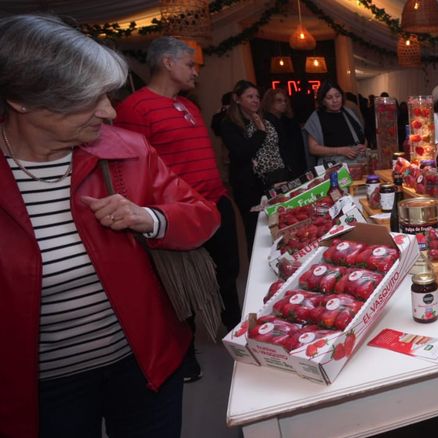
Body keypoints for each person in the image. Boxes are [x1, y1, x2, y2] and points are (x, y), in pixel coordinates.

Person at [0, 15, 220, 437]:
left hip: (145, 366)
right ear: (22, 100)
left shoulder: (127, 150)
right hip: (41, 392)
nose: (109, 111)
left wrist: (151, 218)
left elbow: (203, 216)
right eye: (89, 98)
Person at [114, 36, 243, 381]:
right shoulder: (136, 109)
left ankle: (239, 334)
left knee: (228, 271)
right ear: (168, 63)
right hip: (175, 215)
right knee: (179, 290)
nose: (196, 72)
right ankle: (186, 359)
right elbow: (131, 168)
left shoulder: (190, 107)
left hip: (214, 204)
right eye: (190, 64)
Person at [220, 80, 279, 248]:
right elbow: (243, 153)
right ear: (237, 99)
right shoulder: (228, 124)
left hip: (268, 181)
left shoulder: (261, 119)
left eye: (257, 97)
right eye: (250, 96)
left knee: (274, 222)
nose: (255, 100)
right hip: (246, 185)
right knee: (254, 228)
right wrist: (260, 133)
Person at [303, 81, 367, 167]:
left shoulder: (348, 112)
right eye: (329, 98)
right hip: (332, 167)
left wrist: (363, 146)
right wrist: (341, 151)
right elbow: (313, 148)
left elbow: (362, 137)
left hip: (357, 163)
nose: (335, 100)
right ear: (323, 101)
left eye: (337, 96)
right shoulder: (317, 117)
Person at [263, 88, 307, 179]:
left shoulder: (290, 122)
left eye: (285, 101)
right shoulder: (265, 123)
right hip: (276, 170)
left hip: (295, 167)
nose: (283, 103)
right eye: (279, 100)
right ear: (270, 102)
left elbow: (299, 148)